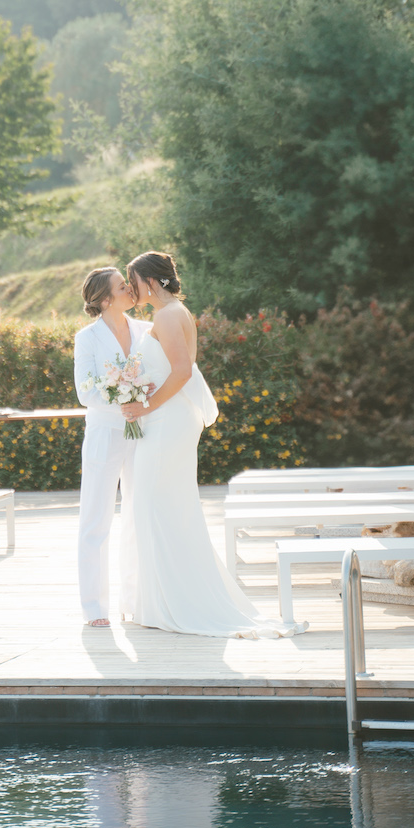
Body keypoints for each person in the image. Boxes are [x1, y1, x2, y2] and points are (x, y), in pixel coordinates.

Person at [121, 251, 306, 639]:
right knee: (164, 505)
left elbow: (183, 371)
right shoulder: (177, 312)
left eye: (132, 280)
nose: (130, 287)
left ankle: (173, 602)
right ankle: (161, 600)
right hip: (170, 418)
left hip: (167, 420)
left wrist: (144, 404)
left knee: (154, 504)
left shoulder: (167, 315)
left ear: (150, 282)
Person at [74, 266, 150, 627]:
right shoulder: (87, 339)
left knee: (136, 517)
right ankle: (94, 607)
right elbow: (85, 392)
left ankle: (132, 601)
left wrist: (141, 396)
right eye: (123, 287)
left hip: (143, 433)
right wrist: (124, 393)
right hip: (104, 433)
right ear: (105, 300)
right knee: (95, 520)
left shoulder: (146, 331)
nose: (130, 290)